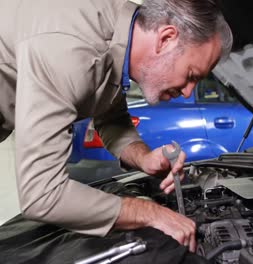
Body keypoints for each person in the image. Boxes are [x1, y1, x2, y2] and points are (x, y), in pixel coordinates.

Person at [0, 0, 232, 253]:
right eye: (191, 75)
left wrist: (144, 157)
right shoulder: (70, 49)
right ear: (166, 38)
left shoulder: (119, 33)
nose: (188, 93)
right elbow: (43, 196)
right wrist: (151, 213)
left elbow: (109, 115)